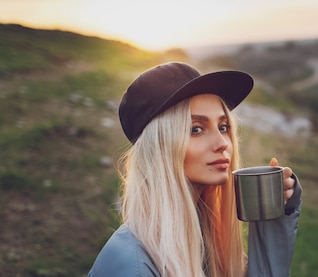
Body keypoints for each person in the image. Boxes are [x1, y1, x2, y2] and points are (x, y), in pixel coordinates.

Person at [88, 62, 302, 277]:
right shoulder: (132, 266)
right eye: (196, 129)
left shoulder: (206, 243)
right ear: (160, 147)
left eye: (223, 127)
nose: (223, 143)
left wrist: (272, 220)